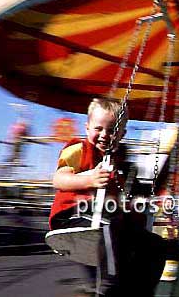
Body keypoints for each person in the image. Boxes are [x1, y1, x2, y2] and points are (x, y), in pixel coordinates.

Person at [49, 98, 166, 297]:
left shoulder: (120, 163)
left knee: (155, 244)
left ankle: (143, 291)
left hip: (107, 220)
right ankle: (108, 285)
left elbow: (128, 197)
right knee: (110, 217)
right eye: (98, 129)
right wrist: (88, 179)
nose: (104, 135)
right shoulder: (79, 149)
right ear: (87, 128)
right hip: (72, 215)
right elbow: (59, 180)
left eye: (112, 130)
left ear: (122, 134)